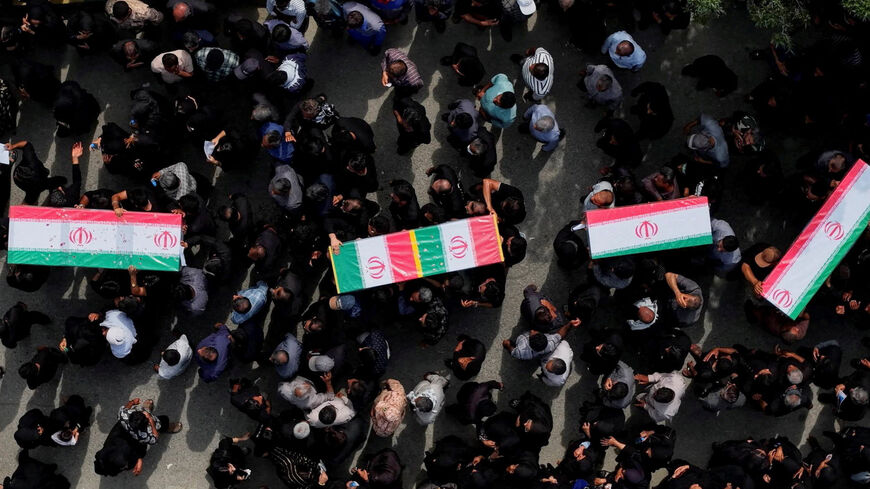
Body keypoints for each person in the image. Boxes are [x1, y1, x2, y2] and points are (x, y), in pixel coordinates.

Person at [118, 397, 183, 446]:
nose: (144, 413)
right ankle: (166, 428)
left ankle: (146, 408)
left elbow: (125, 408)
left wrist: (132, 402)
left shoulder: (123, 414)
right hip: (152, 425)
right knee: (163, 420)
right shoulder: (144, 436)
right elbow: (155, 438)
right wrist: (151, 422)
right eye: (144, 414)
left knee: (145, 411)